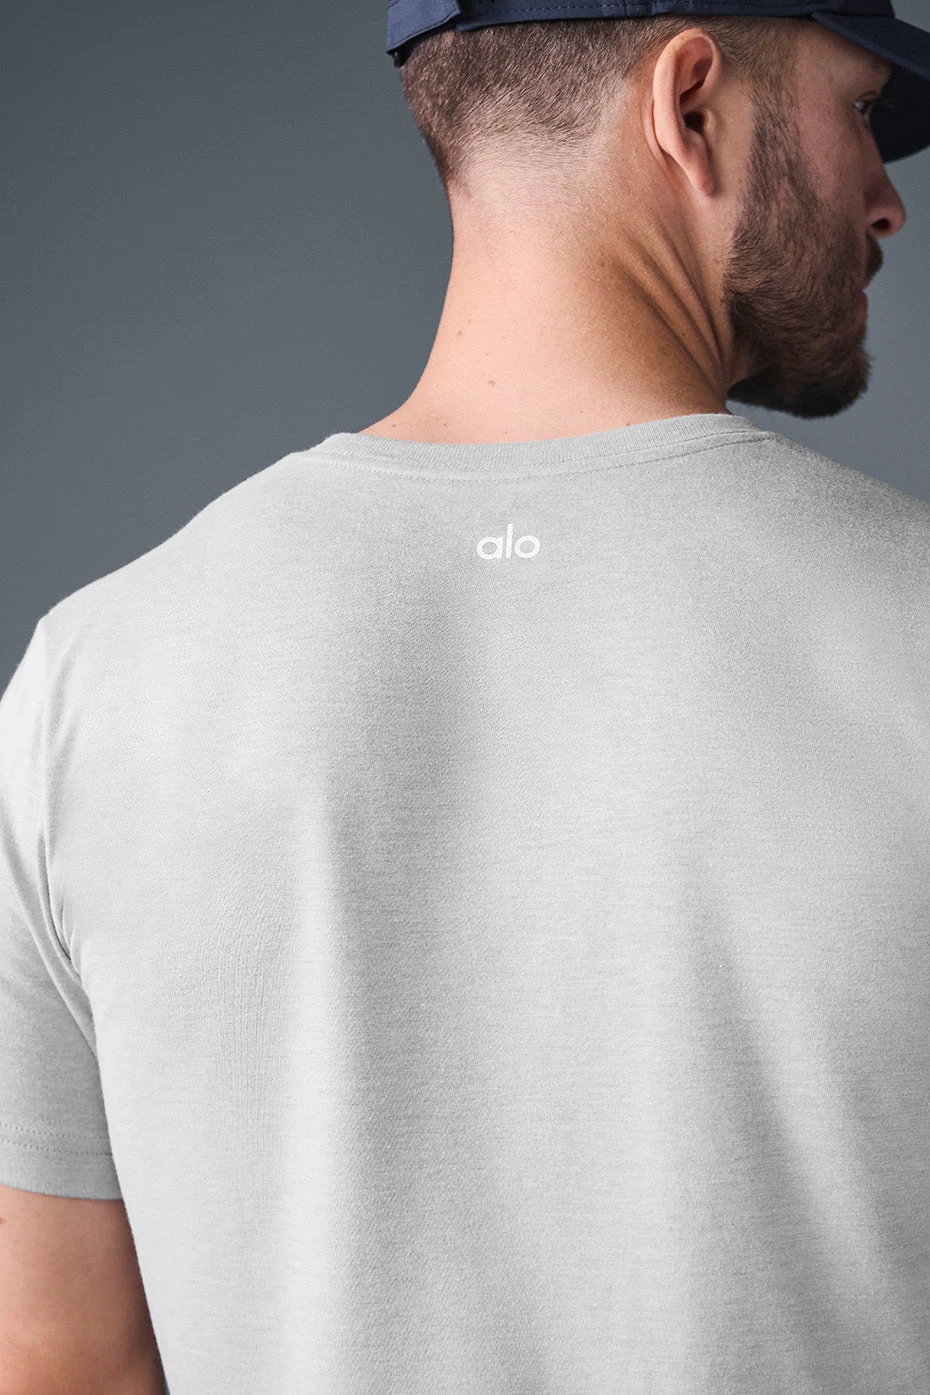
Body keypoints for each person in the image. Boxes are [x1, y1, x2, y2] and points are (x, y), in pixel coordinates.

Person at [2, 4, 930, 1394]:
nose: (887, 198)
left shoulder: (91, 680)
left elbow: (61, 1363)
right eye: (860, 111)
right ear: (689, 106)